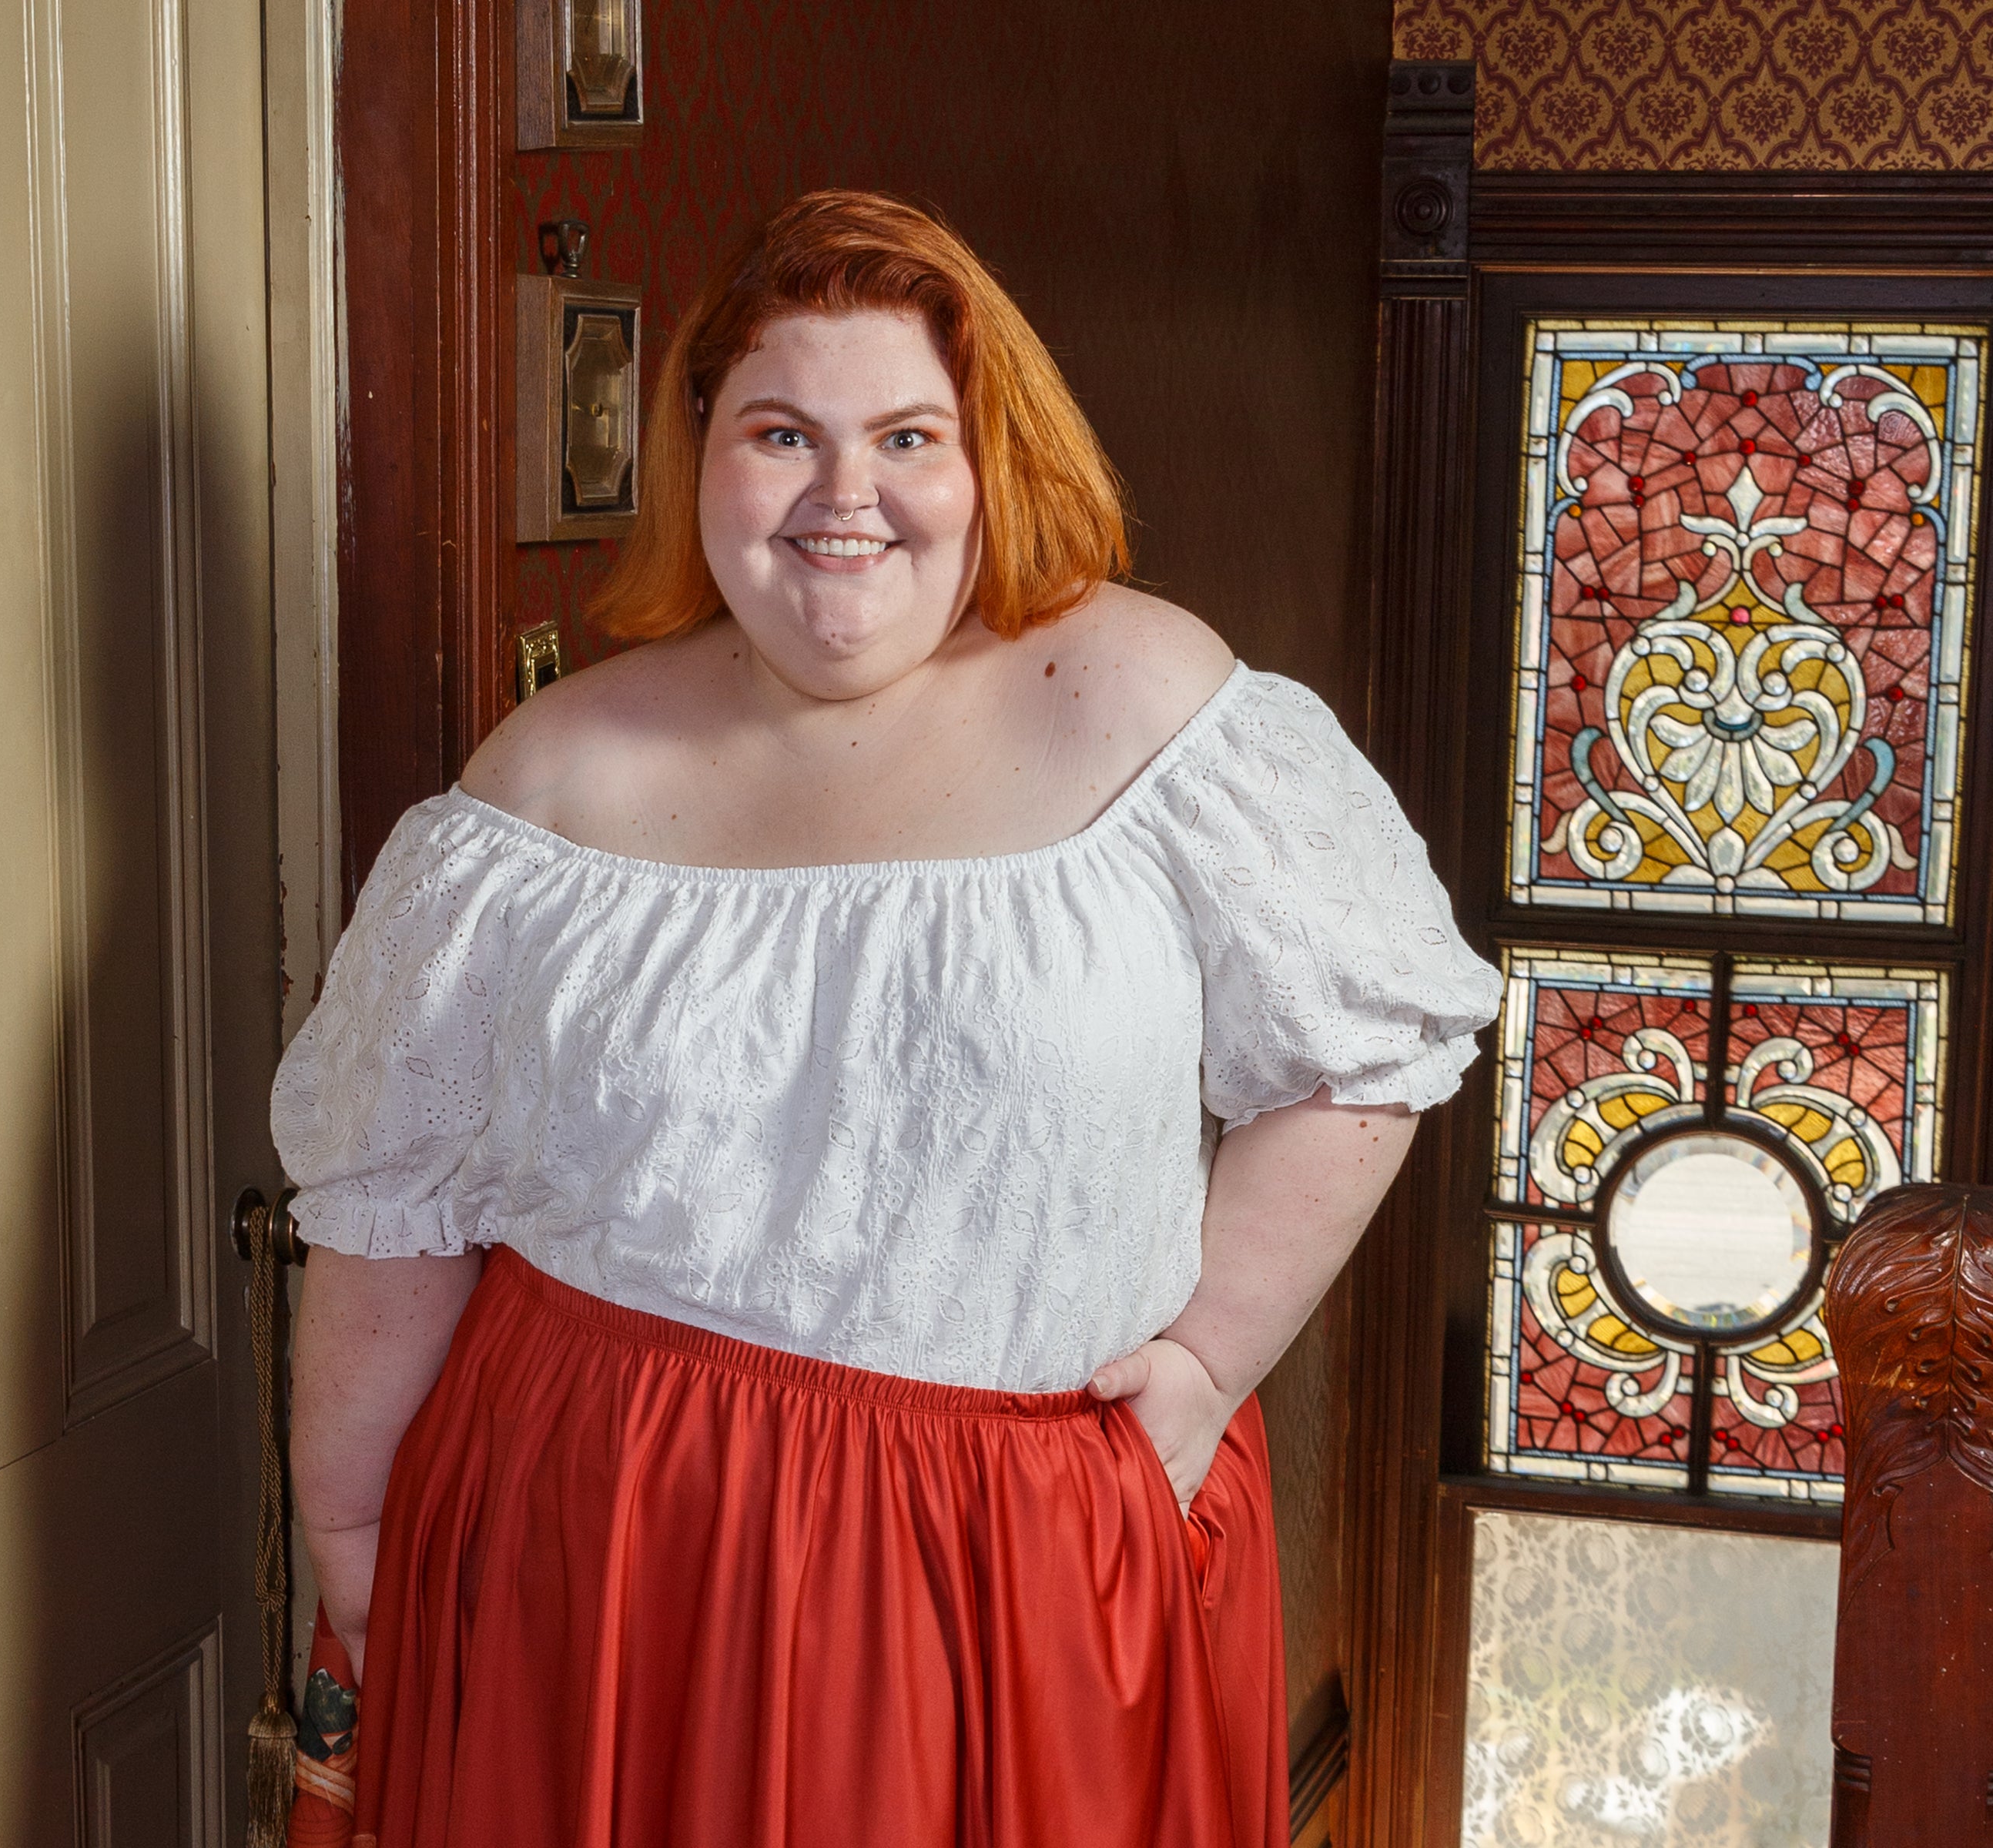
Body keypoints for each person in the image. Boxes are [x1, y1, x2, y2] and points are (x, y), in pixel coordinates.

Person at [274, 189, 1502, 1848]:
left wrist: (1214, 1356)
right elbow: (391, 1205)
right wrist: (353, 1547)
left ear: (987, 457)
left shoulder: (1151, 705)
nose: (845, 497)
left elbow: (1373, 1041)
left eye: (907, 435)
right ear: (698, 449)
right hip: (604, 1531)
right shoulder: (538, 782)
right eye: (783, 432)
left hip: (1016, 1554)